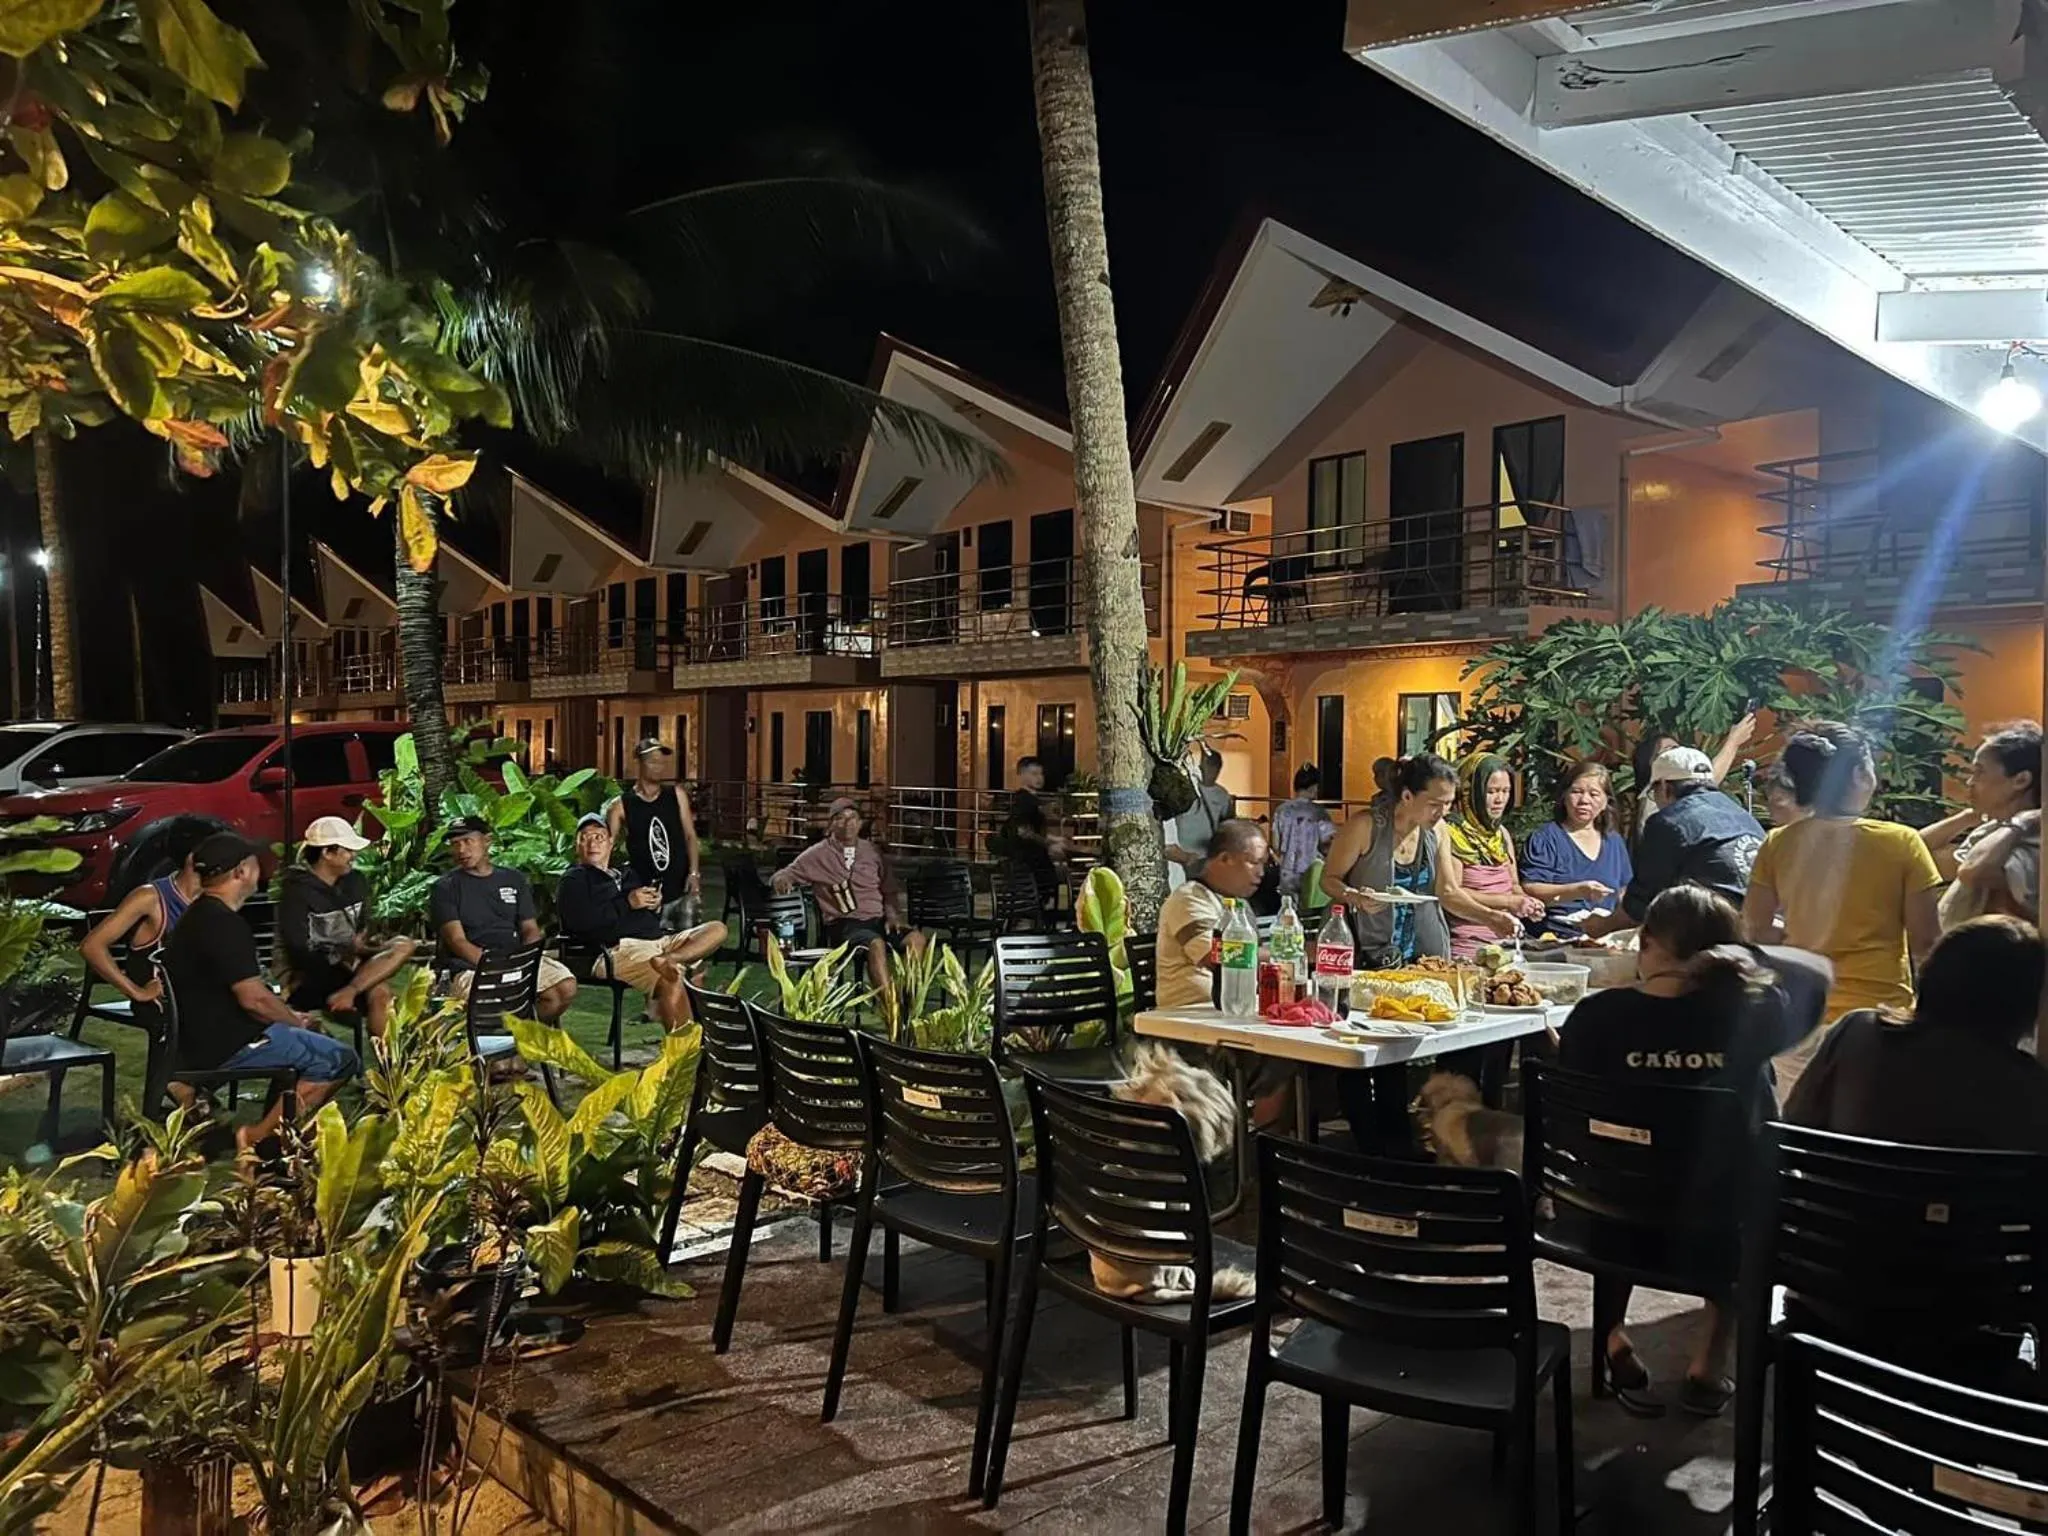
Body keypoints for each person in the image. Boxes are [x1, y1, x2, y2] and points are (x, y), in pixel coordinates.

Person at [1558, 884, 1831, 1417]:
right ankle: (1709, 1362)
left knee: (1619, 1169)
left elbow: (1573, 1118)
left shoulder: (1594, 1017)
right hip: (1718, 1227)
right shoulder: (1752, 1016)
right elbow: (1818, 973)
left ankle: (1611, 1337)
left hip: (1610, 1221)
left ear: (1646, 941)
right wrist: (1749, 955)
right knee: (1744, 1177)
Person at [1742, 723, 1942, 1102]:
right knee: (1870, 1142)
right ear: (1854, 775)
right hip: (1880, 1022)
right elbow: (1927, 942)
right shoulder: (1902, 843)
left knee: (1803, 1141)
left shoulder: (1778, 843)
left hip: (1800, 1024)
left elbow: (1755, 929)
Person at [163, 833, 360, 1153]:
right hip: (227, 1042)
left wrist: (290, 1019)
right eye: (255, 863)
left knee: (314, 1034)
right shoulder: (224, 924)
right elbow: (254, 999)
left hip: (201, 1034)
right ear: (242, 871)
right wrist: (294, 1021)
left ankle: (289, 1133)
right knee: (338, 1059)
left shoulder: (199, 915)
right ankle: (258, 1138)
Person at [1787, 914, 2048, 1153]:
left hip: (1837, 1203)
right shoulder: (2028, 1090)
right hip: (1963, 1204)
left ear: (1934, 972)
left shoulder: (1857, 1034)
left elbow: (1793, 1127)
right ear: (2025, 1004)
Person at [1320, 753, 1519, 969]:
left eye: (1448, 804)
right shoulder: (1365, 826)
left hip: (1425, 957)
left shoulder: (1439, 830)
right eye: (1435, 804)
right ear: (1407, 796)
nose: (1441, 813)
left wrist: (1491, 918)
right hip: (1369, 955)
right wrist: (1354, 897)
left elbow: (1449, 893)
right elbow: (1329, 879)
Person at [557, 814, 727, 1028]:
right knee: (672, 977)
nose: (593, 843)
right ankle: (684, 1052)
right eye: (586, 838)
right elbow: (581, 923)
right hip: (615, 950)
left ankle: (671, 958)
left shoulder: (626, 874)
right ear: (577, 845)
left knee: (716, 929)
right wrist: (627, 903)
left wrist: (653, 904)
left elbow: (643, 911)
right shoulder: (574, 880)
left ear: (611, 843)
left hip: (659, 943)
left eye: (599, 837)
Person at [276, 816, 417, 1043]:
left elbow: (361, 932)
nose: (354, 856)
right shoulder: (296, 893)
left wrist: (366, 946)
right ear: (327, 853)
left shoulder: (355, 882)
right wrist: (345, 958)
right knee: (380, 992)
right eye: (348, 850)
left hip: (351, 966)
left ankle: (390, 1069)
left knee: (403, 945)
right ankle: (389, 1067)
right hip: (311, 974)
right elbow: (299, 951)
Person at [431, 816, 578, 1022]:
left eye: (468, 841)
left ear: (487, 841)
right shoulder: (445, 887)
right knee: (508, 997)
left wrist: (526, 962)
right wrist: (496, 966)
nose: (461, 850)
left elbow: (530, 929)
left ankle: (518, 1038)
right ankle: (511, 1040)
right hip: (471, 966)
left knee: (563, 988)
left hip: (516, 959)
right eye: (455, 844)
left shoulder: (513, 879)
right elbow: (457, 941)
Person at [773, 797, 925, 993]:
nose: (848, 823)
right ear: (831, 825)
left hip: (878, 921)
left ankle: (908, 1003)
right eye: (841, 818)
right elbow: (786, 873)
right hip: (845, 924)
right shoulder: (818, 853)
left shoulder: (872, 851)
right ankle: (891, 1010)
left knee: (916, 940)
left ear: (860, 823)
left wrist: (893, 915)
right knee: (876, 945)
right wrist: (782, 880)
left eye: (853, 818)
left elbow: (889, 889)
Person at [1920, 720, 2041, 928]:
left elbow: (1974, 872)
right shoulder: (1992, 830)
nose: (1970, 782)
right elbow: (1912, 850)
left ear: (2020, 780)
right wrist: (1969, 816)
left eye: (1980, 771)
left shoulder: (2032, 842)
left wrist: (2022, 821)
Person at [1624, 747, 1766, 923]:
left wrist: (1601, 926)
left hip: (1715, 925)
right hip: (1761, 922)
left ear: (1664, 786)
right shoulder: (1743, 816)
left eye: (1654, 793)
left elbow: (1641, 902)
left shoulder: (1669, 820)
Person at [1155, 818, 1270, 1009]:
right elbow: (1218, 957)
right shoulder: (1189, 898)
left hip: (1233, 1008)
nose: (1261, 873)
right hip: (1189, 1014)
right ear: (1224, 859)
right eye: (1254, 862)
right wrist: (1289, 955)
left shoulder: (1239, 904)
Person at [1441, 752, 1544, 957]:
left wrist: (1527, 902)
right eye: (1491, 791)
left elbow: (1513, 885)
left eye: (1505, 791)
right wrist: (1507, 902)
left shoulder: (1501, 835)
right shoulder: (1451, 833)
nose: (1500, 799)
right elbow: (1453, 892)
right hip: (1468, 944)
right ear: (1471, 792)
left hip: (1507, 942)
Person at [79, 849, 199, 1016]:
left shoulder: (216, 899)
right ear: (192, 858)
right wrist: (137, 992)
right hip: (165, 1005)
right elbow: (91, 946)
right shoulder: (150, 897)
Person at [1520, 760, 1633, 936]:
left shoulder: (1613, 841)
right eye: (1576, 792)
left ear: (1605, 802)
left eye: (1594, 794)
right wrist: (1578, 890)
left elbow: (1623, 890)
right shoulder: (1545, 838)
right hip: (1555, 936)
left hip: (1603, 937)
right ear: (1564, 797)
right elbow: (1531, 888)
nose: (1584, 801)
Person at [606, 737, 703, 926]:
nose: (659, 766)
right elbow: (608, 846)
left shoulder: (676, 795)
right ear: (640, 764)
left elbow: (690, 836)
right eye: (653, 761)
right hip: (647, 892)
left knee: (690, 943)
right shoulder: (621, 805)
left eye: (661, 762)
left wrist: (694, 873)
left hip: (681, 886)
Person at [1630, 713, 1758, 846]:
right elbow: (1709, 779)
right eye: (1670, 750)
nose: (1679, 753)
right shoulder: (1654, 799)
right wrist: (1733, 742)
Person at [991, 755, 1065, 911]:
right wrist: (1049, 843)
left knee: (1044, 897)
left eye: (1041, 774)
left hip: (1035, 858)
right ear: (1022, 775)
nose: (1039, 778)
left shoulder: (1031, 800)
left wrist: (1052, 839)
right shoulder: (1024, 801)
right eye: (1034, 774)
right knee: (1040, 899)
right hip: (1030, 860)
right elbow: (1023, 831)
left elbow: (1032, 829)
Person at [1270, 764, 1335, 906]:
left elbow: (1275, 843)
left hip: (1287, 870)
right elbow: (1328, 843)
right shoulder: (1319, 813)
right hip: (1311, 870)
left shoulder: (1281, 810)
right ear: (1314, 786)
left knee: (1288, 911)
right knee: (1308, 910)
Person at [1165, 746, 1236, 872]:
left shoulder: (1222, 796)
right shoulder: (1187, 789)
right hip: (1183, 856)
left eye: (1209, 765)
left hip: (1207, 858)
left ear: (1217, 769)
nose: (1203, 768)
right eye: (1204, 764)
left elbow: (1227, 826)